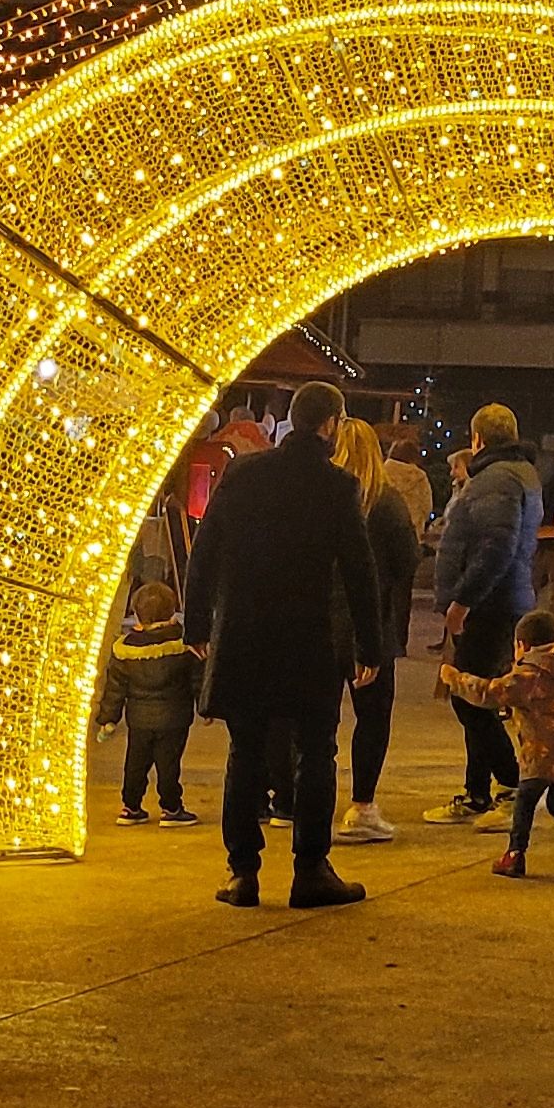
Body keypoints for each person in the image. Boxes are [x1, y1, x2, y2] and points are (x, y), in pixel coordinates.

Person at [185, 382, 384, 909]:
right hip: (309, 636)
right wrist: (369, 646)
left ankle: (242, 873)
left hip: (246, 636)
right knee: (315, 751)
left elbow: (206, 549)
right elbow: (360, 571)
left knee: (245, 750)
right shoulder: (337, 485)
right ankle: (310, 870)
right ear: (332, 424)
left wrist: (197, 624)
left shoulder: (245, 473)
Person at [427, 402, 541, 827]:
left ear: (477, 439)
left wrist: (462, 602)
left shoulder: (497, 479)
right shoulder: (517, 474)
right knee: (474, 695)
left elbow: (495, 546)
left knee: (471, 700)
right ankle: (477, 793)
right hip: (501, 599)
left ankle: (512, 787)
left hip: (489, 604)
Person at [443, 610, 554, 877]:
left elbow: (489, 692)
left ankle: (515, 854)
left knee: (524, 801)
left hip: (544, 751)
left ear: (523, 645)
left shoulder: (530, 674)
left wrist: (454, 679)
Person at [333, 414, 422, 846]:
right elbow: (407, 560)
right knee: (372, 717)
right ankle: (362, 805)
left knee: (316, 720)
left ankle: (296, 801)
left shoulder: (320, 498)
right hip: (373, 623)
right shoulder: (385, 502)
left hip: (321, 624)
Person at [94, 582, 202, 826]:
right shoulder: (182, 644)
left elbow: (115, 688)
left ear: (136, 613)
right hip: (175, 718)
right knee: (169, 764)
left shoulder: (126, 650)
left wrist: (108, 718)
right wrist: (206, 707)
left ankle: (131, 806)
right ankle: (171, 808)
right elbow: (197, 679)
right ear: (172, 610)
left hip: (139, 720)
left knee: (135, 762)